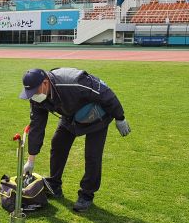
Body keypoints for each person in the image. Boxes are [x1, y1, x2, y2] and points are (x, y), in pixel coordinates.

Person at [19, 68, 131, 212]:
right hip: (71, 116)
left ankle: (86, 195)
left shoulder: (73, 83)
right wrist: (31, 159)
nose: (32, 96)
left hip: (97, 116)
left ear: (45, 83)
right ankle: (54, 185)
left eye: (34, 91)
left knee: (92, 155)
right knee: (58, 144)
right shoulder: (37, 98)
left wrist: (120, 117)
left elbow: (104, 93)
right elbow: (36, 127)